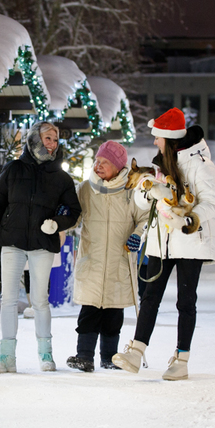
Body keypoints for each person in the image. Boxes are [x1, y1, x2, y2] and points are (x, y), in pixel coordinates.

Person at [112, 108, 215, 381]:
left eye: (157, 137)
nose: (154, 142)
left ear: (168, 138)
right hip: (161, 241)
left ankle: (181, 359)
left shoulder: (200, 164)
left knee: (186, 301)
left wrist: (191, 219)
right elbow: (142, 203)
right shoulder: (159, 166)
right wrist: (146, 191)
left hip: (189, 240)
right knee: (149, 297)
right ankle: (136, 352)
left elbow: (212, 203)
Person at [0, 121, 81, 373]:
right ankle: (6, 357)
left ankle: (46, 354)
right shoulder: (13, 169)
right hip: (12, 241)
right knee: (9, 300)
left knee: (39, 300)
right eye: (48, 138)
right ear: (34, 138)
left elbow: (72, 210)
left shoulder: (61, 177)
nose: (52, 143)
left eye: (55, 139)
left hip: (41, 244)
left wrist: (56, 223)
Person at [65, 141, 148, 372]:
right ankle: (84, 356)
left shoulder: (132, 192)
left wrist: (137, 235)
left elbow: (145, 218)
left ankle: (109, 358)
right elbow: (72, 217)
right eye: (97, 161)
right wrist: (62, 214)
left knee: (113, 313)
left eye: (105, 162)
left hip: (119, 261)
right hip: (92, 259)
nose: (98, 165)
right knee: (89, 312)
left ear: (118, 166)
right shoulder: (85, 189)